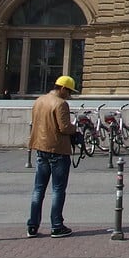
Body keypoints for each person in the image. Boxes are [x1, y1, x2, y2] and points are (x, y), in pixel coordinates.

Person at [27, 75, 79, 238]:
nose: (69, 95)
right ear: (62, 89)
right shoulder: (61, 103)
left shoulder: (39, 100)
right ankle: (57, 226)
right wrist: (75, 128)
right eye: (69, 92)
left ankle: (32, 226)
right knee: (58, 190)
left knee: (38, 189)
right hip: (57, 149)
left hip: (40, 147)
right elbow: (64, 128)